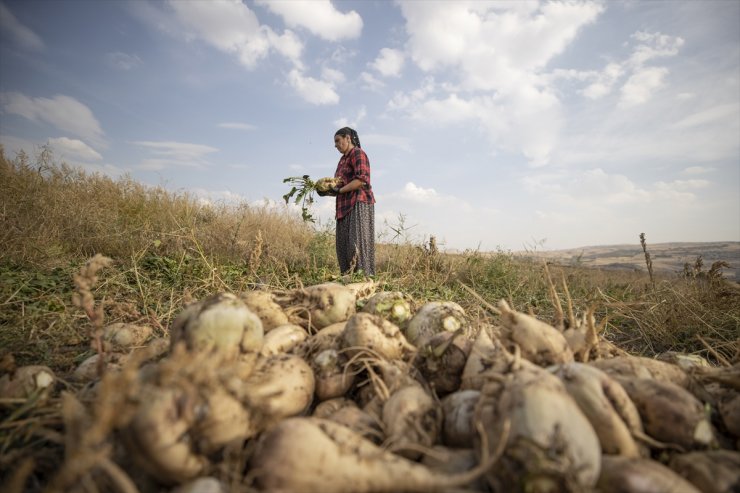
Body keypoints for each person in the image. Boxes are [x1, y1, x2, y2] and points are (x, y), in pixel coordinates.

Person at [329, 127, 375, 277]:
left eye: (338, 141)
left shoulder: (358, 153)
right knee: (343, 248)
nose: (335, 145)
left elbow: (361, 180)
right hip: (343, 207)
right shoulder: (343, 160)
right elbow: (339, 185)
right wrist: (327, 190)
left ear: (348, 138)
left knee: (357, 246)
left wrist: (340, 191)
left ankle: (364, 282)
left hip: (358, 203)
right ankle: (347, 282)